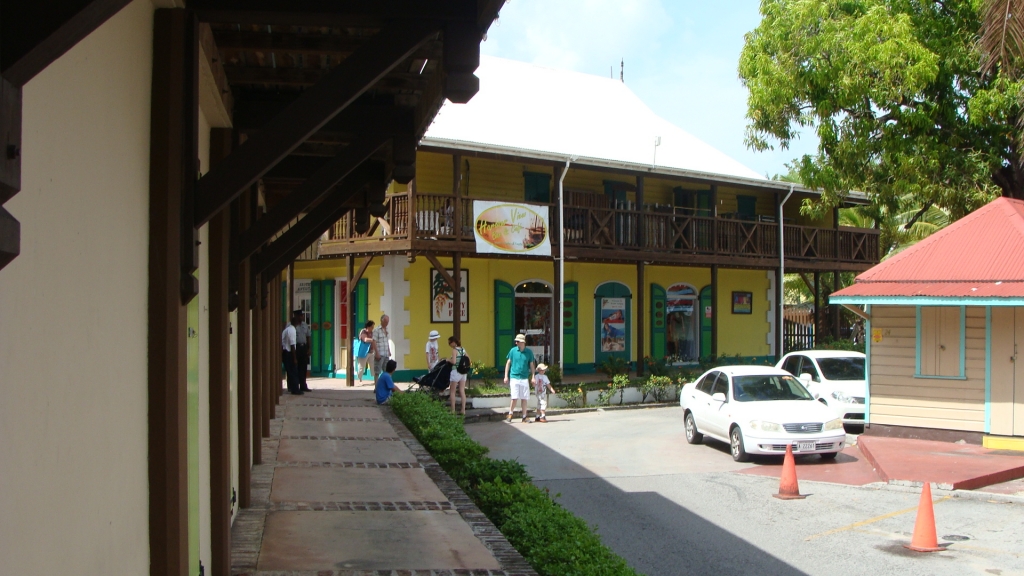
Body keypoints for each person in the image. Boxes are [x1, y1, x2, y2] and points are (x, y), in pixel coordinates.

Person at [504, 333, 535, 423]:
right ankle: (510, 414)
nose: (516, 343)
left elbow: (532, 365)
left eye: (518, 341)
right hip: (514, 377)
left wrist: (533, 376)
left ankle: (524, 416)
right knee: (514, 397)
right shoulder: (513, 351)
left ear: (522, 342)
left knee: (524, 398)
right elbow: (508, 363)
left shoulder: (529, 352)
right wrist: (506, 376)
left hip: (524, 377)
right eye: (516, 341)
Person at [448, 336, 470, 416]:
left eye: (450, 342)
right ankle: (463, 410)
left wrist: (448, 360)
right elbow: (468, 359)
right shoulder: (463, 349)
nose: (449, 344)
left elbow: (453, 361)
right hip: (463, 372)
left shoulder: (454, 350)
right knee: (462, 391)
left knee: (452, 391)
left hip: (455, 371)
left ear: (454, 342)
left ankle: (453, 410)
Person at [281, 314, 301, 395]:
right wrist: (295, 358)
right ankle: (295, 389)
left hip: (286, 352)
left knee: (290, 372)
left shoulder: (287, 329)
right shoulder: (292, 330)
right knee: (293, 372)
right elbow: (292, 345)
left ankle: (291, 388)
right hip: (289, 353)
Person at [293, 310, 311, 392]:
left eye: (302, 315)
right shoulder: (292, 325)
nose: (301, 317)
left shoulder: (305, 325)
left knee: (303, 367)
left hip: (303, 347)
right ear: (296, 316)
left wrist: (309, 348)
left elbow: (308, 336)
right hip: (296, 347)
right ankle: (295, 386)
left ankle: (303, 385)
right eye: (300, 315)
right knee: (296, 368)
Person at [372, 314, 391, 383]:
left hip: (386, 353)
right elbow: (374, 341)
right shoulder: (377, 330)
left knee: (386, 371)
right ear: (382, 321)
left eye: (388, 322)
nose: (387, 324)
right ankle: (377, 387)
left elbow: (386, 341)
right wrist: (377, 353)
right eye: (386, 322)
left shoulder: (387, 330)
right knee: (377, 371)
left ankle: (385, 386)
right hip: (379, 353)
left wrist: (389, 350)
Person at [356, 320, 375, 384]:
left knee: (373, 365)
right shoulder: (363, 331)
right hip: (364, 352)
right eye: (372, 327)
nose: (372, 328)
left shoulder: (372, 333)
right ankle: (359, 379)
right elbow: (365, 339)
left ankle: (375, 379)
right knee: (361, 366)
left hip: (371, 352)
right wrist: (373, 340)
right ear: (368, 326)